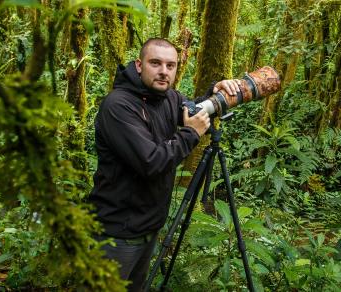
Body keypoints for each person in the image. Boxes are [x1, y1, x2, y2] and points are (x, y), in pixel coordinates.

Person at [89, 38, 241, 291]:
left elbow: (192, 110)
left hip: (148, 228)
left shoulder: (168, 97)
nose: (164, 71)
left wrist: (215, 93)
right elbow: (152, 162)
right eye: (156, 63)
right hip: (116, 234)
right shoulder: (118, 106)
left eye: (171, 65)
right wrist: (191, 134)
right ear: (139, 65)